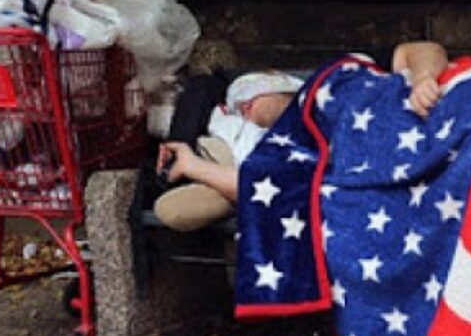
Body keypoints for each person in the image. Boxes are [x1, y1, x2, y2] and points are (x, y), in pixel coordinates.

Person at [153, 41, 449, 231]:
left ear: (275, 78)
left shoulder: (340, 76)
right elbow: (268, 185)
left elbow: (424, 49)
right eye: (236, 109)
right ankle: (217, 180)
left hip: (430, 131)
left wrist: (423, 79)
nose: (242, 107)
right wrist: (193, 164)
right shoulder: (281, 148)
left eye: (246, 93)